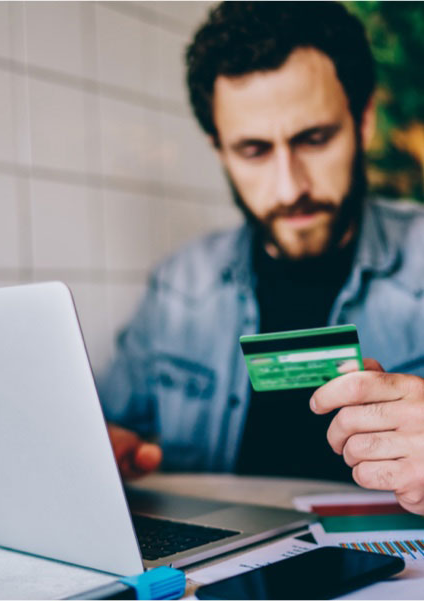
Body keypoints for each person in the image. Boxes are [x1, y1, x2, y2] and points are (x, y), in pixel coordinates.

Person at [98, 2, 424, 515]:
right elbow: (110, 427)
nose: (288, 187)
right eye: (253, 150)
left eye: (314, 139)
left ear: (362, 123)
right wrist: (104, 450)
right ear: (219, 150)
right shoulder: (180, 284)